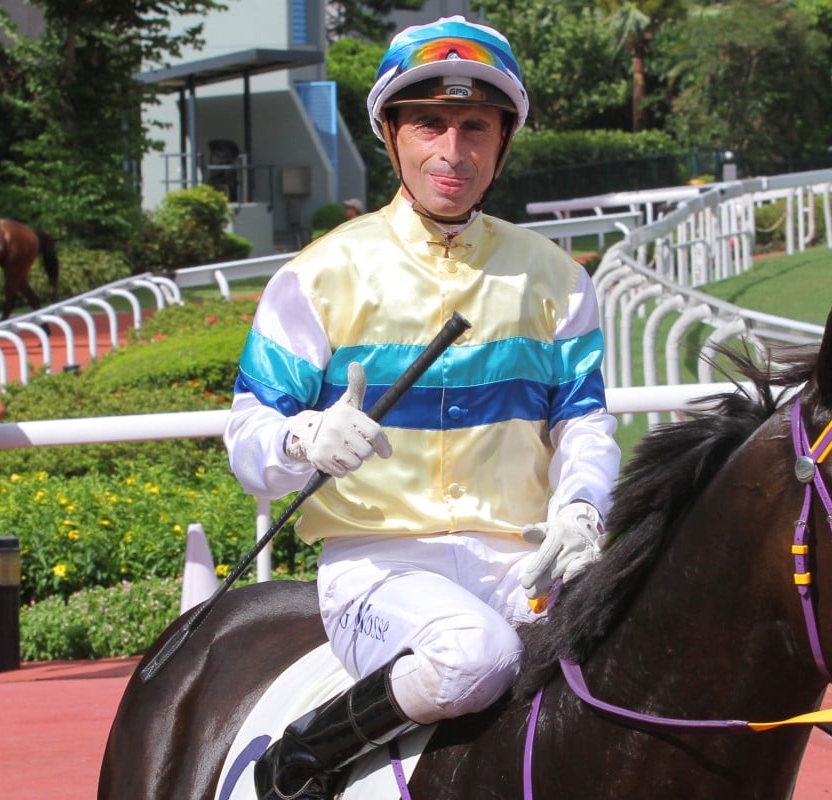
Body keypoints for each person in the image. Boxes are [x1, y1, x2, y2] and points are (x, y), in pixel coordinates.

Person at [223, 15, 621, 800]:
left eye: (475, 126)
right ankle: (304, 758)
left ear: (502, 142)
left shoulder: (559, 281)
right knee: (474, 655)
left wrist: (581, 508)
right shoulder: (319, 276)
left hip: (521, 559)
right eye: (430, 123)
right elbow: (247, 436)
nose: (452, 149)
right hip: (377, 566)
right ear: (393, 136)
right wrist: (304, 437)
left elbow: (584, 421)